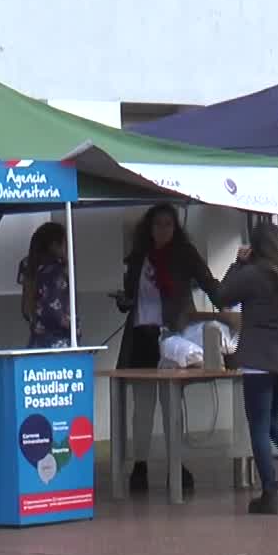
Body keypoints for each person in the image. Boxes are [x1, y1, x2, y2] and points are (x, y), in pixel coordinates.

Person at [114, 204, 219, 495]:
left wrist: (234, 296)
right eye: (158, 225)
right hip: (141, 336)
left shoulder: (184, 255)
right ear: (149, 228)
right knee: (142, 407)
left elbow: (212, 286)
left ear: (176, 228)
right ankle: (140, 465)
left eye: (168, 225)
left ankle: (177, 463)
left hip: (173, 338)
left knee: (172, 405)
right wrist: (123, 300)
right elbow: (131, 299)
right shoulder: (137, 258)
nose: (163, 230)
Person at [216, 222, 278, 513]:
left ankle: (271, 493)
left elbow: (221, 297)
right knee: (274, 419)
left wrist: (237, 264)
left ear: (256, 246)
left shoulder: (251, 275)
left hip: (260, 361)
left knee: (259, 426)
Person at [18, 221, 73, 348]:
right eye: (65, 243)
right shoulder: (55, 272)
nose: (68, 248)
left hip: (37, 341)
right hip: (59, 343)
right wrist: (73, 327)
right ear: (54, 245)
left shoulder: (29, 266)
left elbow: (26, 310)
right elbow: (55, 310)